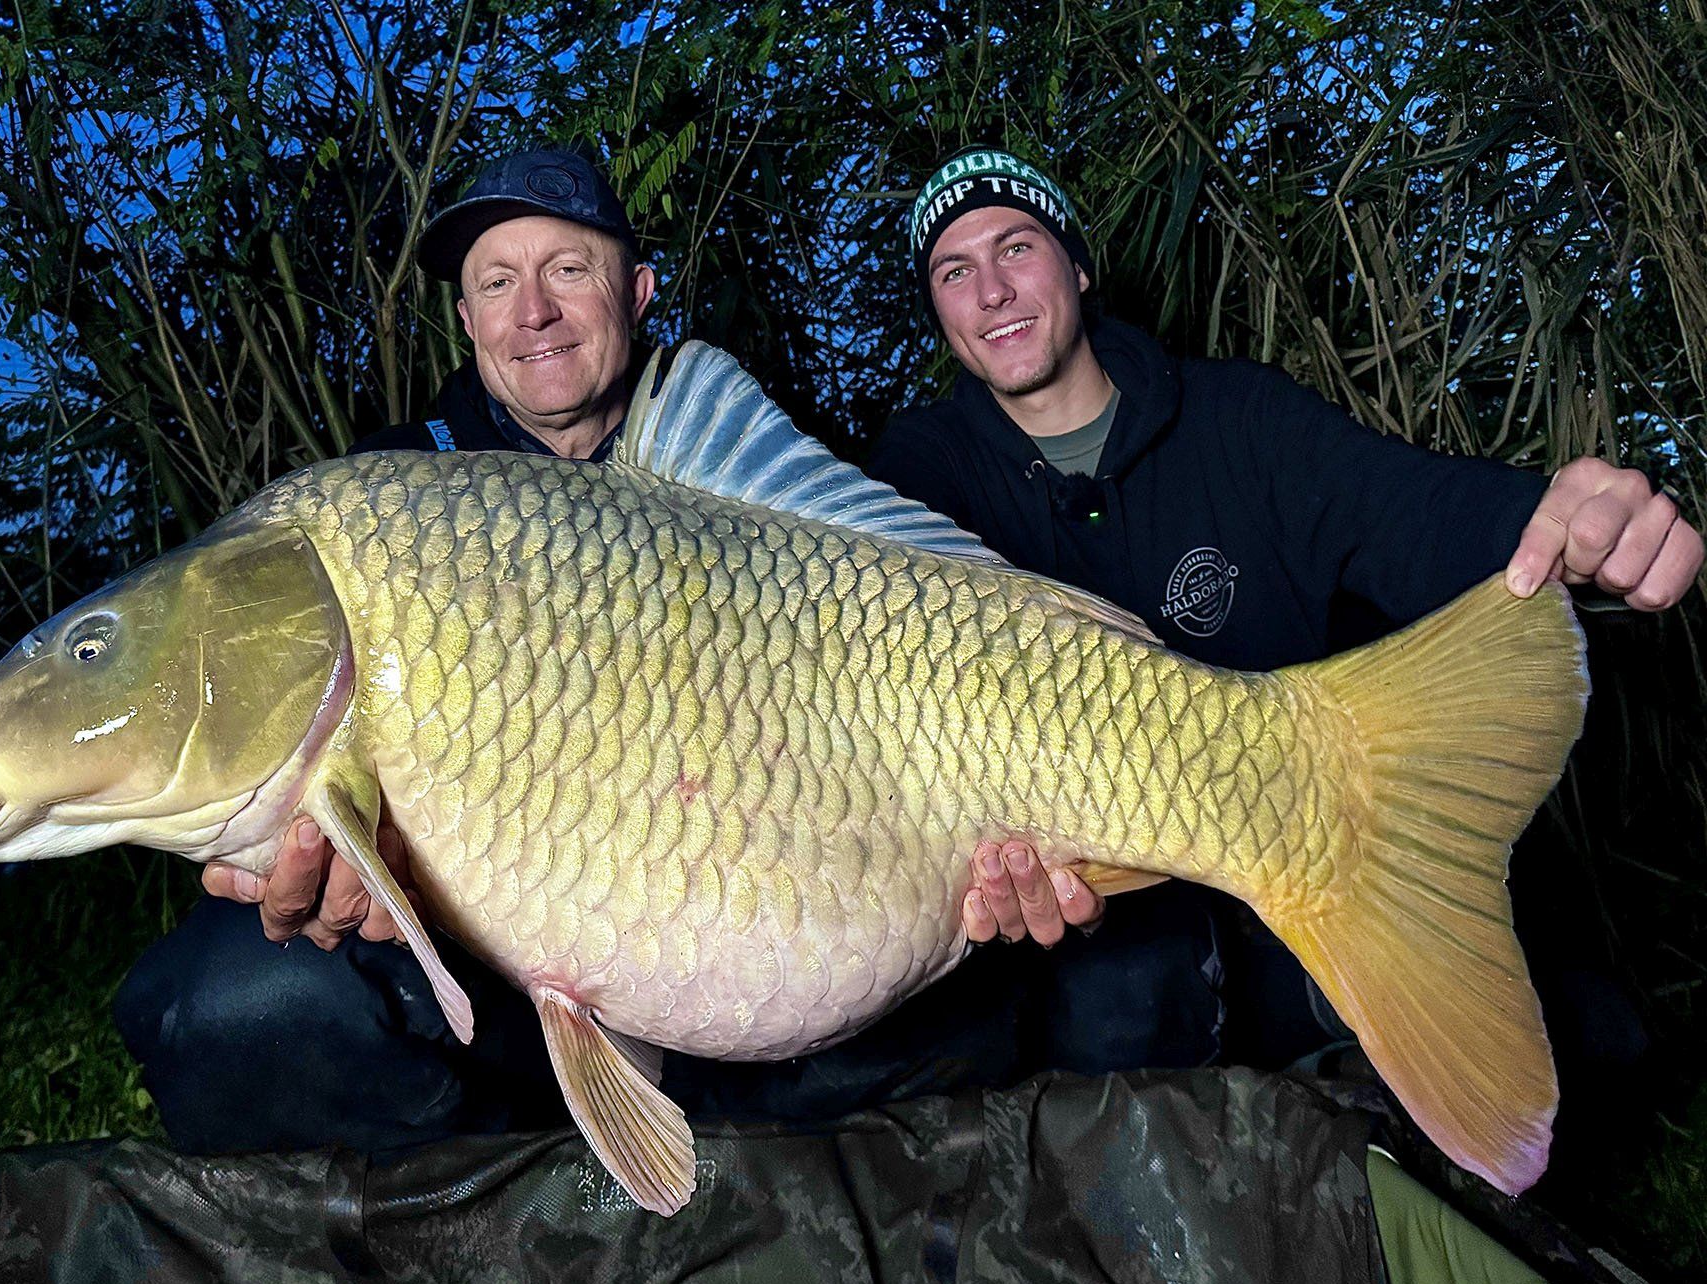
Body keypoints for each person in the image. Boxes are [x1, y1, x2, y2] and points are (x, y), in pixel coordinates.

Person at [114, 147, 1100, 1156]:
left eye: (568, 271)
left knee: (1015, 998)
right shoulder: (395, 509)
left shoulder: (741, 487)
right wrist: (324, 875)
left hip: (767, 968)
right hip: (496, 1011)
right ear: (467, 321)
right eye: (497, 282)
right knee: (225, 1001)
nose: (531, 310)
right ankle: (497, 1231)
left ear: (636, 293)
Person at [862, 146, 1705, 1067]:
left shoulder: (1239, 420)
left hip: (1300, 888)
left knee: (1597, 1041)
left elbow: (1407, 511)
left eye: (1016, 246)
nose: (991, 289)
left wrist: (1560, 527)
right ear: (940, 314)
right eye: (955, 270)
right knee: (1104, 1002)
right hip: (1094, 954)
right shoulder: (911, 485)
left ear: (1078, 265)